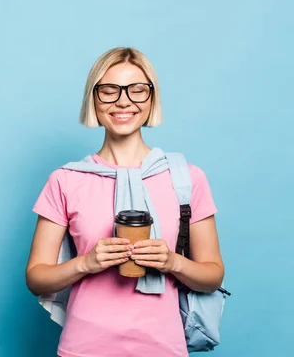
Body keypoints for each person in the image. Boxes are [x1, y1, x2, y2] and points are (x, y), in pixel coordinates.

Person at [25, 47, 224, 357]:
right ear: (94, 98)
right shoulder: (65, 179)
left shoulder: (186, 178)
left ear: (151, 98)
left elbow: (213, 276)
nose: (123, 101)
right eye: (109, 90)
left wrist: (172, 262)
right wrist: (87, 263)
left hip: (164, 347)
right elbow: (37, 278)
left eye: (137, 90)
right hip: (84, 348)